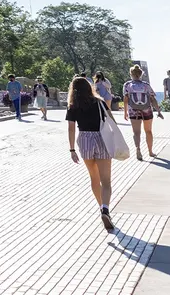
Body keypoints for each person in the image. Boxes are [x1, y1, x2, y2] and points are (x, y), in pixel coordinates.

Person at [66, 74, 116, 231]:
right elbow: (111, 120)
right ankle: (105, 209)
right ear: (90, 87)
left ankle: (100, 207)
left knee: (94, 178)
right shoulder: (99, 102)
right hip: (101, 139)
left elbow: (71, 128)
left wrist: (72, 149)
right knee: (106, 181)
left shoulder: (73, 106)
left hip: (85, 140)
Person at [122, 64, 161, 160]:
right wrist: (158, 111)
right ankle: (150, 151)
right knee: (148, 131)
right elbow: (152, 99)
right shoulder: (146, 85)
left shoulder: (127, 85)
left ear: (131, 74)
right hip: (147, 109)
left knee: (136, 132)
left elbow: (126, 99)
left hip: (133, 110)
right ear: (141, 74)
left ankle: (138, 149)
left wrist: (125, 112)